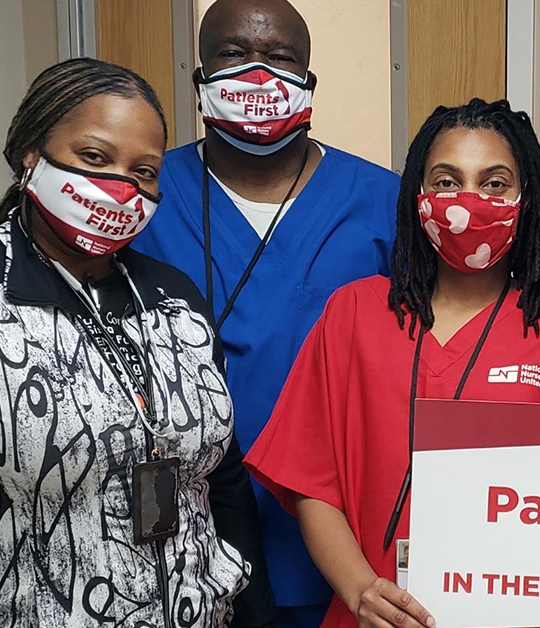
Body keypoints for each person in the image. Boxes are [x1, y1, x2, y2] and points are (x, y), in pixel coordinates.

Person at [0, 58, 277, 627]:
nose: (121, 188)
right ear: (31, 152)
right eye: (95, 158)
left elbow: (220, 484)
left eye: (145, 171)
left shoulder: (175, 298)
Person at [245, 99, 540, 628]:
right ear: (416, 197)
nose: (468, 202)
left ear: (528, 199)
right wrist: (362, 591)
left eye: (495, 184)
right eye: (446, 181)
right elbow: (311, 479)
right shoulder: (355, 313)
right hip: (370, 613)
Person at [128, 2, 399, 624]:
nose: (258, 75)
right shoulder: (144, 197)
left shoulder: (382, 201)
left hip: (338, 535)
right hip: (176, 530)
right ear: (199, 76)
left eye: (280, 58)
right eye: (233, 54)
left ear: (308, 80)